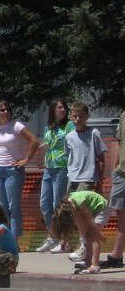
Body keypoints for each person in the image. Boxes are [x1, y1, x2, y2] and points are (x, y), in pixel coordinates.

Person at [0, 100, 39, 242]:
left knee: (13, 206)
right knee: (1, 207)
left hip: (13, 170)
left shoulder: (16, 126)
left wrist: (26, 159)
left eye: (7, 109)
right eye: (2, 110)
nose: (5, 112)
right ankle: (3, 238)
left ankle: (14, 239)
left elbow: (34, 141)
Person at [64, 102, 105, 261]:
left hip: (87, 178)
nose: (78, 119)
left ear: (87, 117)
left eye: (81, 116)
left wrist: (100, 181)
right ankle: (83, 242)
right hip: (72, 177)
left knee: (84, 212)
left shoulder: (94, 133)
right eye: (75, 116)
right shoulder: (69, 136)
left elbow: (101, 158)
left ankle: (84, 245)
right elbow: (70, 155)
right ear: (71, 117)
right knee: (73, 211)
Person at [36, 98, 74, 252]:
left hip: (62, 168)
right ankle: (52, 237)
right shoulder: (49, 127)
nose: (62, 110)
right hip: (49, 168)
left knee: (59, 205)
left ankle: (66, 241)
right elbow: (50, 142)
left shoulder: (69, 125)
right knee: (45, 204)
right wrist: (45, 145)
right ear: (53, 110)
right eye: (59, 107)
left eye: (64, 107)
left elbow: (72, 142)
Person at [52, 190, 108, 275]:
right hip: (92, 209)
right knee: (87, 236)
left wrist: (99, 235)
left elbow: (89, 219)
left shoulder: (79, 202)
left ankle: (95, 266)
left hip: (101, 207)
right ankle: (88, 262)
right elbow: (82, 226)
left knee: (93, 237)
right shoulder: (70, 205)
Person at [102, 110, 125, 270]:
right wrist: (115, 167)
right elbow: (118, 141)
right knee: (120, 215)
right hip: (122, 173)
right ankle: (116, 255)